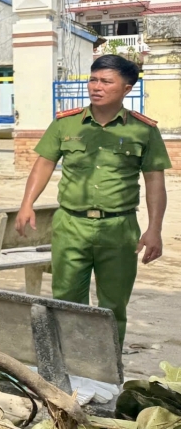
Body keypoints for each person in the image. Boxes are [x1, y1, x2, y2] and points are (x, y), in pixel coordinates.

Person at [16, 54, 169, 344]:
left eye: (106, 81)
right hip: (71, 225)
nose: (96, 87)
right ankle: (69, 367)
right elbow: (44, 163)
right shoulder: (66, 124)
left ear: (126, 88)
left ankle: (107, 371)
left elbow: (154, 181)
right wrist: (27, 204)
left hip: (120, 229)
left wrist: (154, 229)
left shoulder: (143, 130)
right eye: (93, 79)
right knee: (66, 301)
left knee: (113, 306)